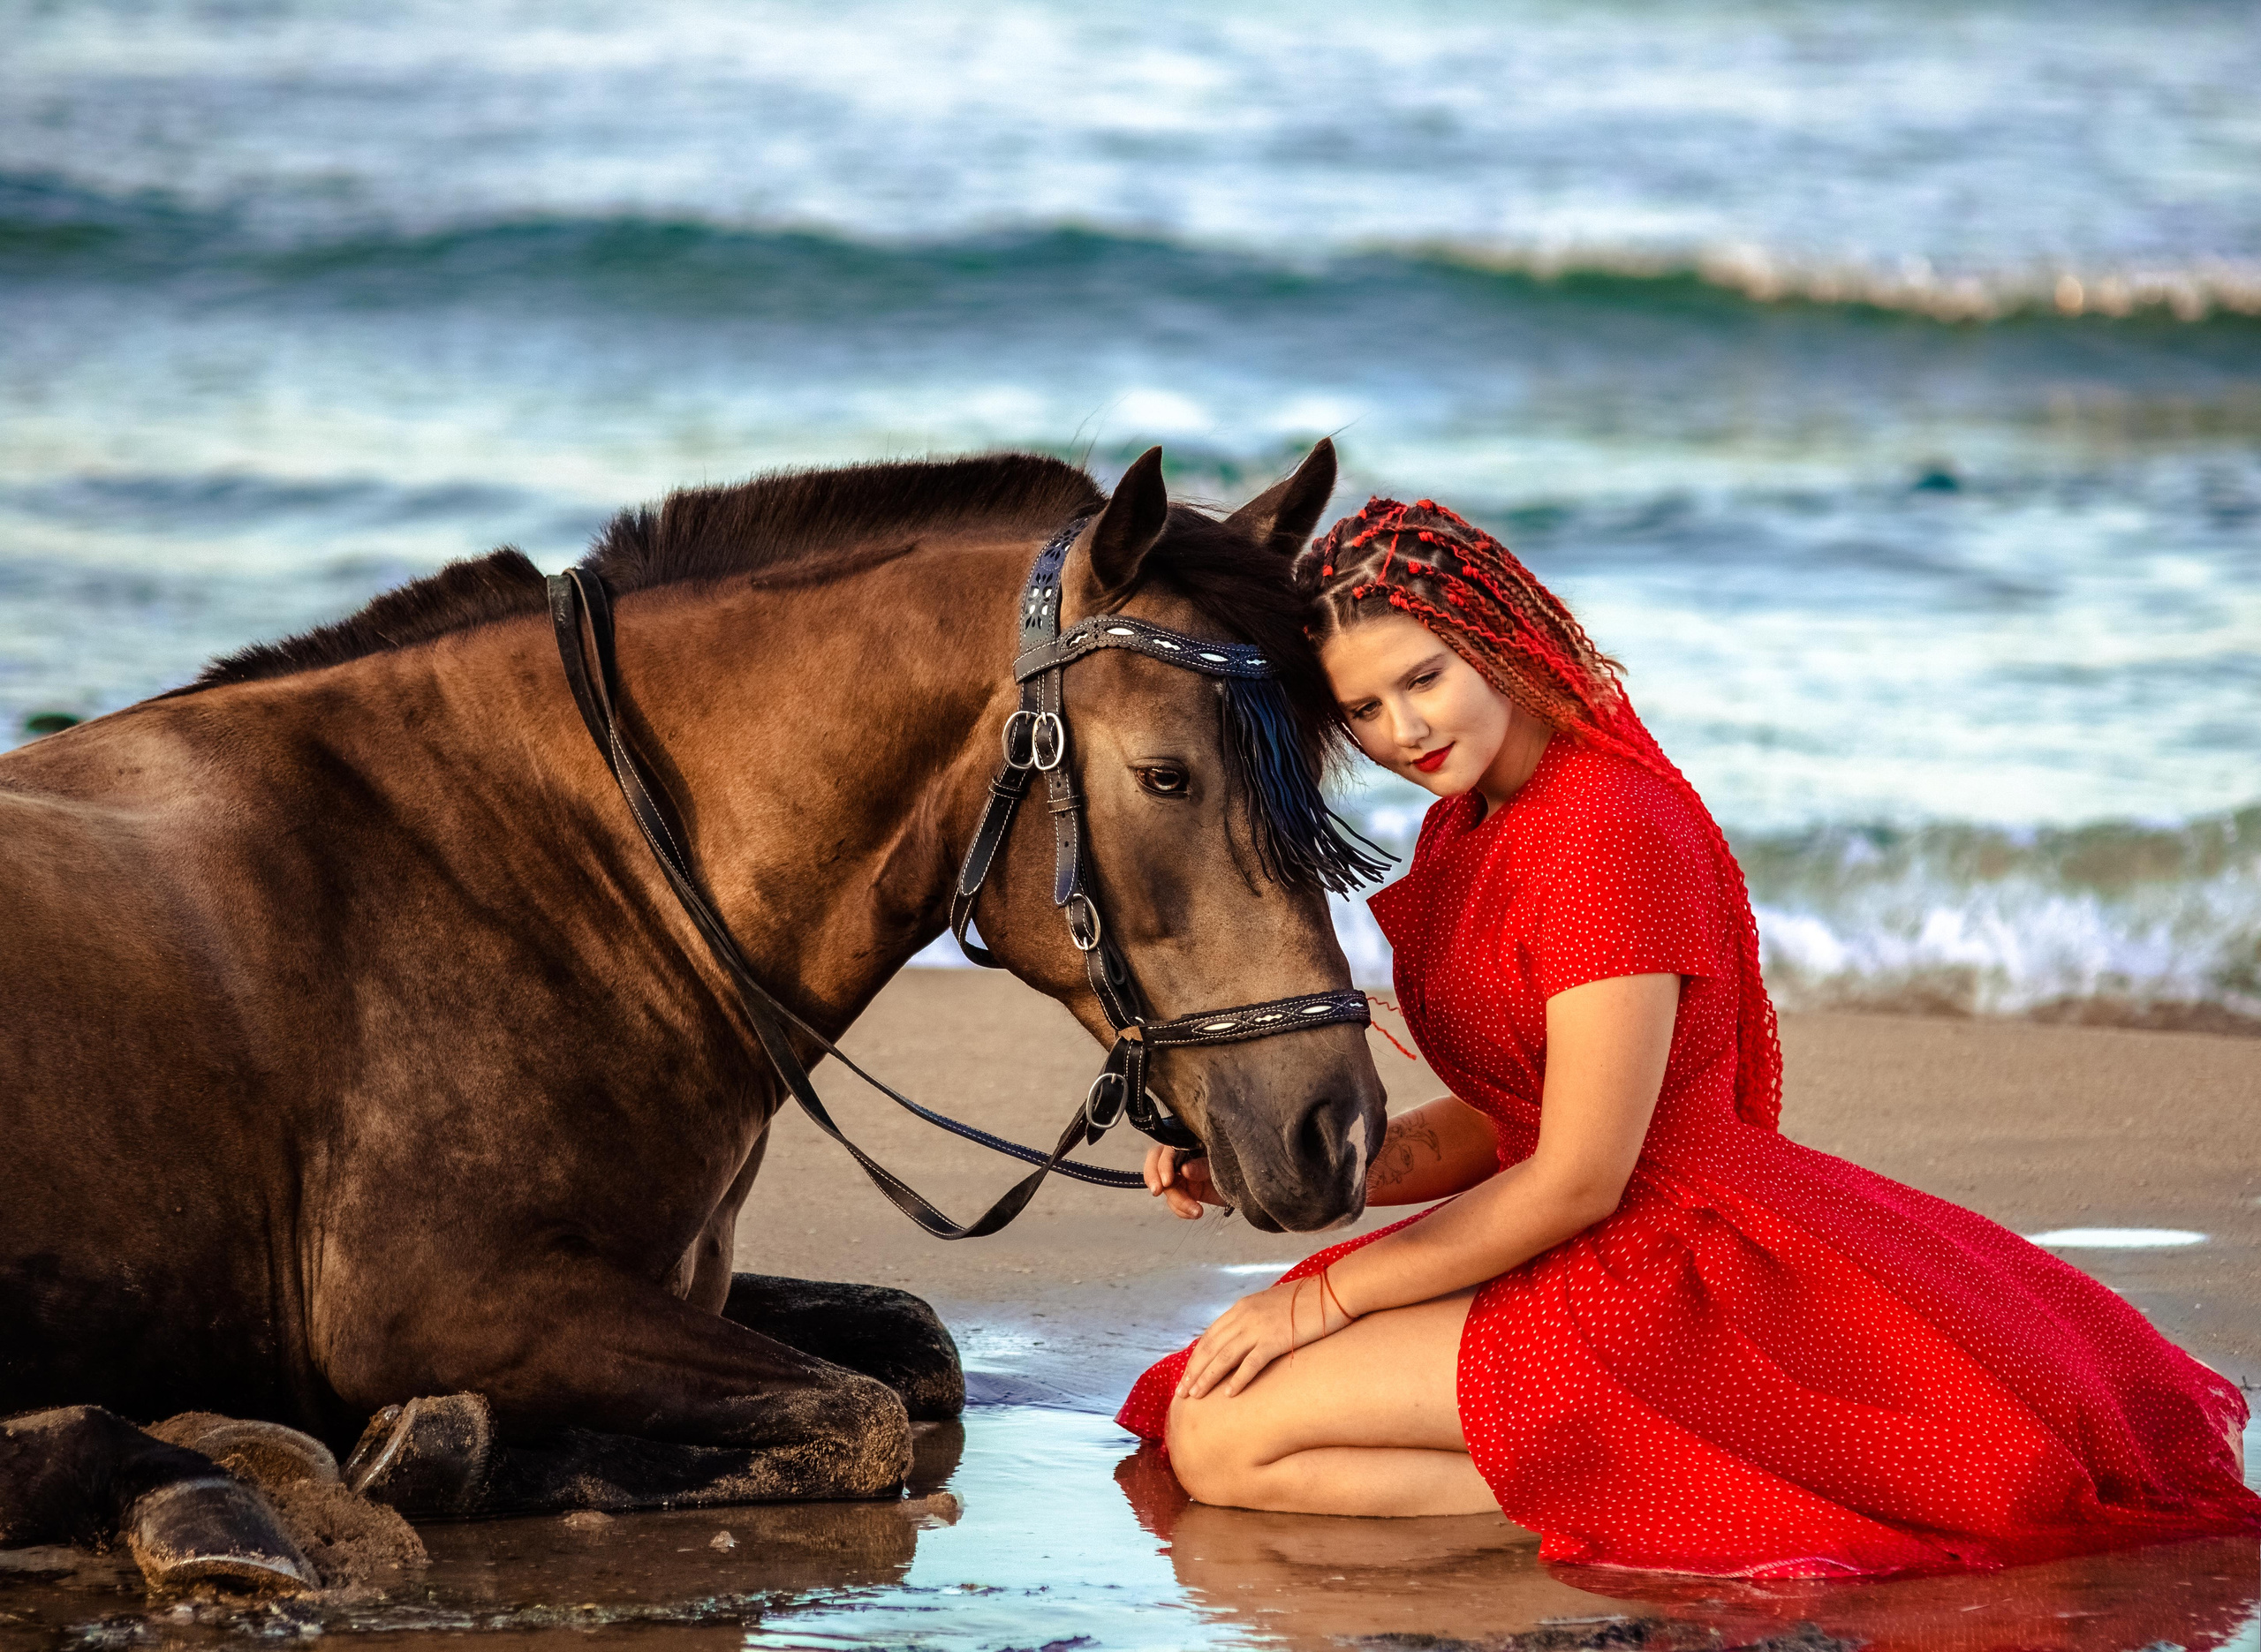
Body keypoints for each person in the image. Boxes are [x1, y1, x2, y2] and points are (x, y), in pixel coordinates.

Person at [1115, 496, 2259, 1578]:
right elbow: (1508, 1115)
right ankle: (1625, 1462)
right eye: (1363, 710)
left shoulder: (1605, 834)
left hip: (1671, 1267)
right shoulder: (1471, 826)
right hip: (1586, 1241)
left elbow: (1576, 1176)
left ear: (1499, 641)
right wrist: (1271, 1174)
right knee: (1208, 1419)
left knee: (1226, 1439)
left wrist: (1325, 1297)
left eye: (1425, 679)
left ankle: (1684, 1470)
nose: (1403, 729)